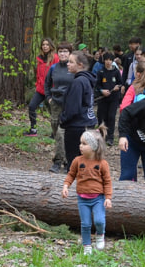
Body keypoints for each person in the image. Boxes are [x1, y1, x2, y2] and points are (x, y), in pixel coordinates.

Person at [62, 130, 113, 255]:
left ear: (94, 147)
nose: (80, 146)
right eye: (80, 143)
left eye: (84, 144)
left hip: (98, 198)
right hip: (82, 199)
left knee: (99, 221)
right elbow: (71, 174)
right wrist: (66, 186)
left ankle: (100, 235)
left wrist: (108, 197)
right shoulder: (77, 161)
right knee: (85, 224)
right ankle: (87, 246)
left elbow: (107, 181)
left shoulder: (102, 163)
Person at [60, 50, 98, 169]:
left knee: (75, 163)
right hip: (86, 125)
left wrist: (63, 119)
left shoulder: (79, 82)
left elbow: (73, 108)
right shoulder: (85, 80)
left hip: (77, 128)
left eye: (71, 62)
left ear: (80, 65)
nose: (68, 64)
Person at [45, 42, 73, 173]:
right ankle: (65, 159)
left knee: (63, 133)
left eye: (65, 51)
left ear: (70, 53)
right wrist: (49, 97)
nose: (63, 54)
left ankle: (61, 161)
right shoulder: (53, 68)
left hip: (69, 104)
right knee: (57, 133)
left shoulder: (73, 68)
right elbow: (47, 84)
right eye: (60, 51)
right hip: (55, 104)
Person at [25, 38, 58, 137]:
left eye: (47, 44)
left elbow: (57, 73)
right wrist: (37, 85)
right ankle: (33, 129)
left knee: (53, 111)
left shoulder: (55, 58)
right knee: (32, 106)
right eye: (43, 44)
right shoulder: (40, 58)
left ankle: (55, 132)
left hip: (51, 89)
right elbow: (39, 74)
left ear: (51, 46)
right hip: (40, 89)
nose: (45, 46)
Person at [95, 52, 122, 145]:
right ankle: (102, 135)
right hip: (102, 99)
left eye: (110, 60)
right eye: (106, 59)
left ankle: (110, 137)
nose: (108, 62)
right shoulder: (100, 72)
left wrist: (117, 87)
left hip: (113, 98)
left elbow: (120, 82)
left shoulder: (116, 72)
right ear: (104, 60)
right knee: (102, 117)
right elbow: (97, 85)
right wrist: (102, 90)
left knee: (111, 117)